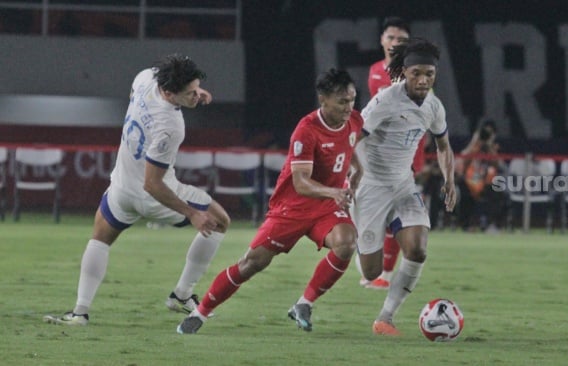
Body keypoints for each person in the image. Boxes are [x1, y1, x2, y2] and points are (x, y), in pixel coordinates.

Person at [43, 54, 230, 326]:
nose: (195, 97)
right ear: (168, 92)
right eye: (189, 93)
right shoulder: (171, 126)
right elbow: (153, 184)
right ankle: (182, 294)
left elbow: (145, 90)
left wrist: (193, 90)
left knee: (99, 240)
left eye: (196, 89)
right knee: (221, 221)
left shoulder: (145, 77)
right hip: (155, 194)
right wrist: (191, 213)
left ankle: (80, 312)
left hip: (121, 186)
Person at [176, 69, 363, 334]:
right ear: (323, 99)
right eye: (342, 101)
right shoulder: (307, 129)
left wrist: (358, 170)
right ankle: (201, 312)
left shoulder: (355, 120)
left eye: (352, 100)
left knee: (347, 243)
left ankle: (304, 303)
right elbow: (300, 182)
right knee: (252, 263)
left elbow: (351, 143)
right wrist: (334, 192)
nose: (349, 107)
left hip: (325, 207)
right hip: (292, 207)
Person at [354, 38, 457, 336]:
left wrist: (449, 179)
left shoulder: (435, 107)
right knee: (372, 272)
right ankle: (354, 228)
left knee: (417, 249)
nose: (423, 80)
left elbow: (444, 146)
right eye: (417, 74)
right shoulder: (385, 100)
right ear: (404, 72)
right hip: (371, 187)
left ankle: (385, 318)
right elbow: (353, 136)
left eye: (429, 74)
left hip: (402, 185)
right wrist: (353, 171)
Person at [359, 16, 427, 290]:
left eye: (401, 39)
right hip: (375, 154)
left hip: (405, 153)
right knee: (374, 212)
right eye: (390, 38)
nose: (394, 43)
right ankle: (376, 270)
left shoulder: (415, 74)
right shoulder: (375, 70)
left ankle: (385, 274)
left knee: (395, 214)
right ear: (382, 40)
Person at [456, 119, 506, 232]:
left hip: (487, 183)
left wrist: (489, 146)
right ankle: (466, 225)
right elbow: (462, 161)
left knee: (498, 193)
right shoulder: (473, 146)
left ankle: (491, 225)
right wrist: (474, 143)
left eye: (489, 133)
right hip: (470, 181)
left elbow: (497, 165)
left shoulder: (495, 147)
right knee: (463, 189)